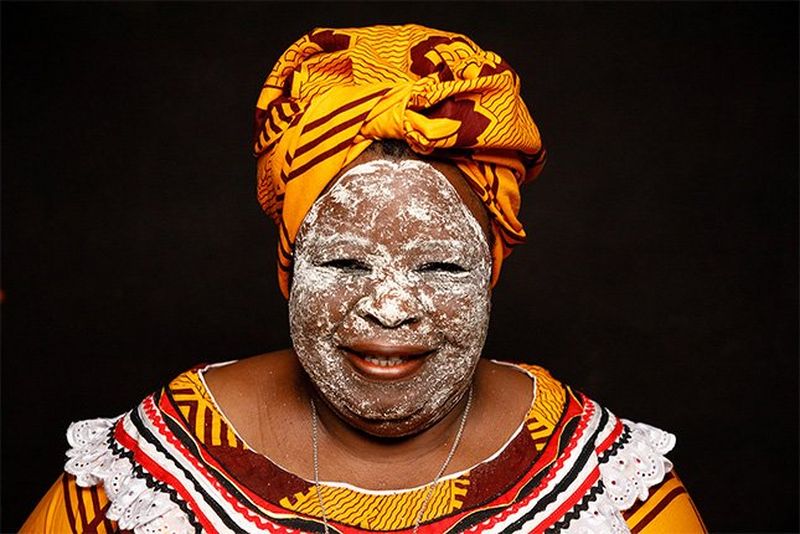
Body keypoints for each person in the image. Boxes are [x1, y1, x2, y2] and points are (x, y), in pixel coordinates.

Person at [22, 24, 705, 533]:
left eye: (439, 265)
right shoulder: (150, 476)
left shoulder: (613, 491)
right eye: (344, 262)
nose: (389, 307)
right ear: (290, 266)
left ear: (491, 270)